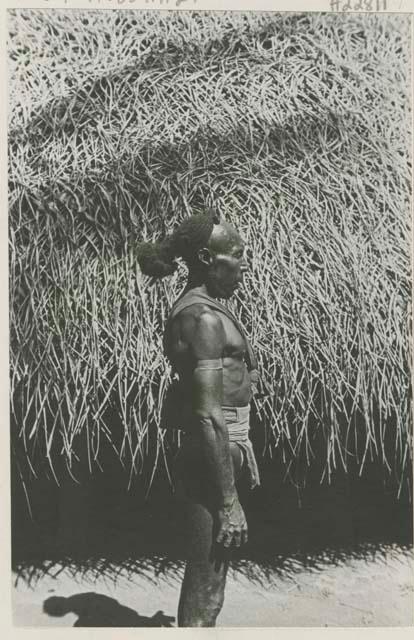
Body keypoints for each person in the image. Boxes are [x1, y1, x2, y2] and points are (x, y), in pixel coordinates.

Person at [136, 212, 260, 627]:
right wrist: (228, 502)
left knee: (213, 577)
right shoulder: (202, 318)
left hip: (223, 445)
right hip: (212, 451)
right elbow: (207, 415)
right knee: (206, 584)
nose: (244, 264)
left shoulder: (207, 310)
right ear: (207, 258)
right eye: (237, 256)